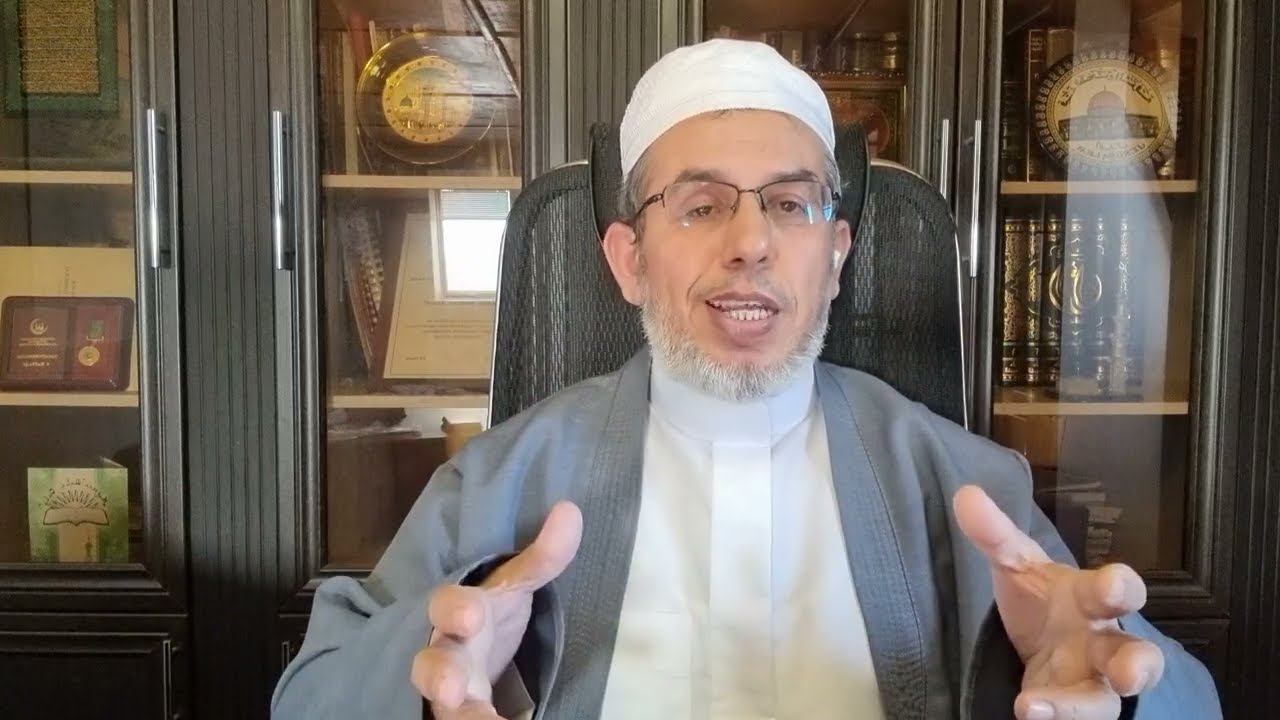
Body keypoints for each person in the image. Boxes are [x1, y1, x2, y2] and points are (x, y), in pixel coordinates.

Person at [271, 39, 1222, 720]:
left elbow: (1172, 689)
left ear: (835, 256)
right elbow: (311, 692)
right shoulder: (503, 478)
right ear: (629, 260)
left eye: (790, 204)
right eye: (701, 206)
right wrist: (428, 672)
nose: (752, 242)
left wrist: (1116, 689)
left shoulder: (969, 485)